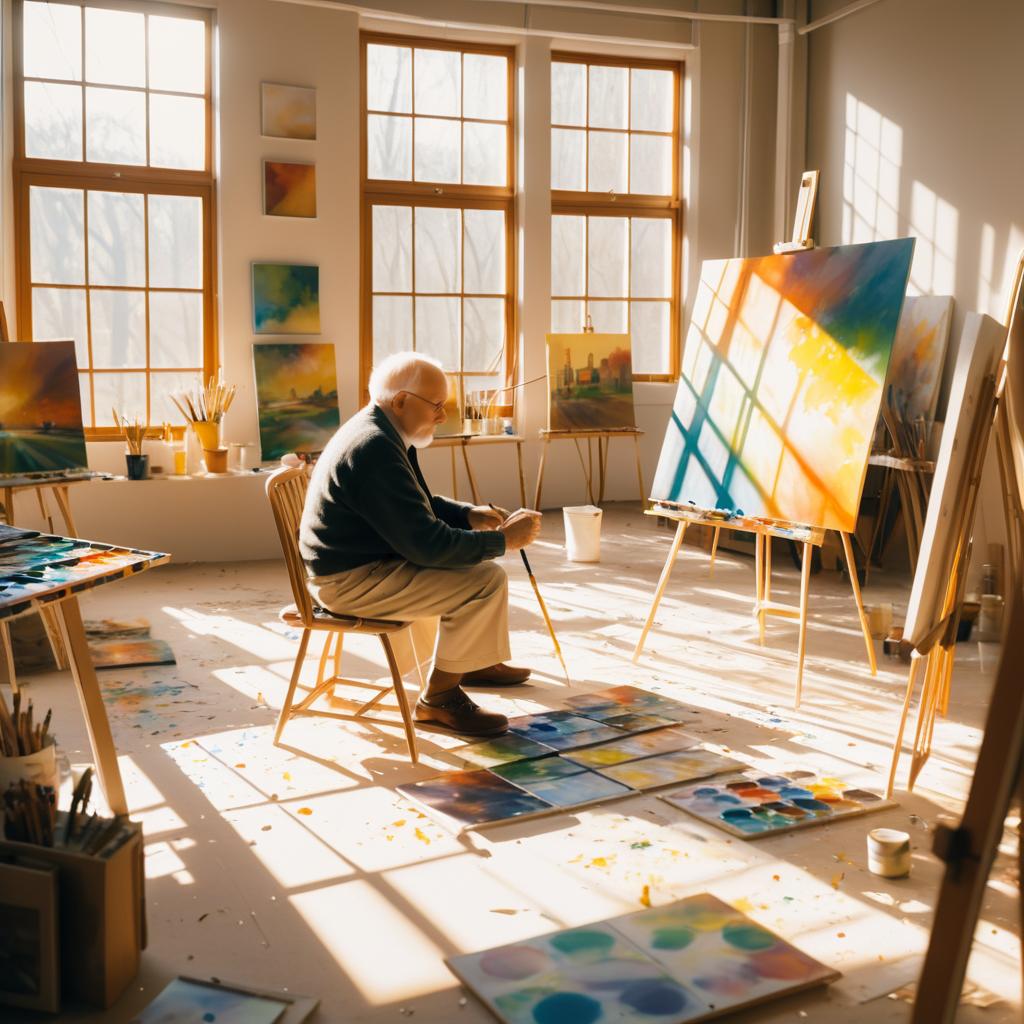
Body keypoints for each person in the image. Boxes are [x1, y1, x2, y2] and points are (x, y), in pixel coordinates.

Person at [299, 352, 542, 737]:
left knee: (475, 569)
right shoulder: (374, 448)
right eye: (437, 406)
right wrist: (501, 541)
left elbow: (416, 504)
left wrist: (467, 515)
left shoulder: (384, 431)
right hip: (347, 581)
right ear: (400, 401)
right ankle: (438, 700)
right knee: (484, 580)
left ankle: (467, 659)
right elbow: (426, 546)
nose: (443, 416)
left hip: (360, 564)